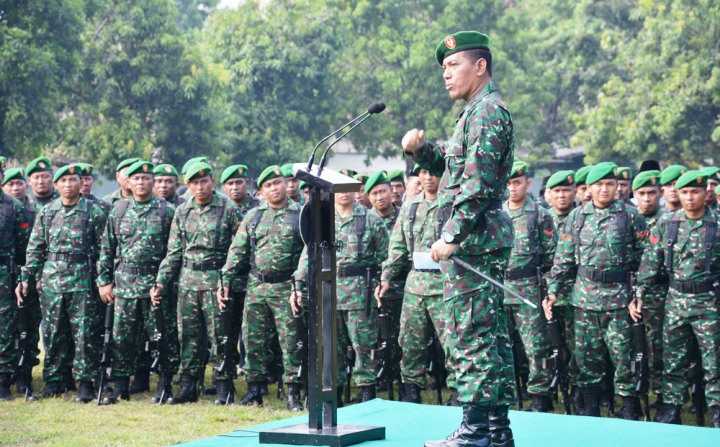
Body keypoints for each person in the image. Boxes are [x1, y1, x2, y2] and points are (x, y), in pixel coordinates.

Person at [403, 31, 516, 447]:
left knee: (471, 338)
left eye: (453, 66)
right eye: (443, 69)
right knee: (487, 338)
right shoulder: (474, 113)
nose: (445, 75)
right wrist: (422, 151)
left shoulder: (487, 112)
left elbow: (479, 184)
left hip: (474, 242)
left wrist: (451, 235)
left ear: (480, 66)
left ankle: (476, 433)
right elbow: (455, 167)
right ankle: (494, 431)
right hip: (478, 241)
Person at [545, 162, 648, 420]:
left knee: (623, 358)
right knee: (586, 359)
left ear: (616, 187)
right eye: (599, 185)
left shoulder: (629, 216)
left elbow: (644, 258)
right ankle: (590, 406)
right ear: (589, 188)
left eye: (609, 184)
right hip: (585, 301)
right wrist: (553, 291)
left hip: (618, 300)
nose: (604, 189)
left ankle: (628, 405)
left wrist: (637, 294)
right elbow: (564, 258)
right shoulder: (577, 217)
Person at [634, 170, 720, 427]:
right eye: (685, 192)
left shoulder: (716, 225)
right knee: (673, 359)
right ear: (678, 194)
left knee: (714, 360)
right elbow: (650, 264)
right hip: (675, 301)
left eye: (695, 191)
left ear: (706, 193)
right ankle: (671, 407)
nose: (690, 197)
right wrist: (639, 294)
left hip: (709, 302)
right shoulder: (667, 224)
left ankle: (716, 408)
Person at [151, 161, 242, 404]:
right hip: (188, 282)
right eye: (194, 183)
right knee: (189, 336)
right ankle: (189, 386)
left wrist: (227, 279)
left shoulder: (228, 208)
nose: (200, 187)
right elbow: (174, 252)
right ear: (187, 185)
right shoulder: (182, 211)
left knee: (220, 336)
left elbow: (239, 250)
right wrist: (160, 281)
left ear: (212, 181)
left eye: (204, 181)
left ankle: (224, 385)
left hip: (216, 281)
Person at [292, 178, 388, 403]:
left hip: (359, 294)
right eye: (338, 189)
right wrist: (298, 286)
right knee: (331, 348)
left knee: (363, 346)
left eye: (348, 189)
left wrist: (381, 280)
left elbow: (386, 256)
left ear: (356, 191)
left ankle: (366, 393)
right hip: (329, 292)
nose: (343, 194)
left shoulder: (370, 220)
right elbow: (309, 256)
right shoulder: (323, 221)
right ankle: (334, 396)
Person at [17, 164, 107, 402]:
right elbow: (36, 249)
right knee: (54, 332)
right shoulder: (47, 212)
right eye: (64, 181)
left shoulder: (94, 212)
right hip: (53, 282)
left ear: (81, 183)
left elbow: (104, 251)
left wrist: (103, 279)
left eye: (73, 180)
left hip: (83, 281)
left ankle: (85, 381)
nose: (69, 184)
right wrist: (27, 277)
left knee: (85, 333)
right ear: (56, 185)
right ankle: (55, 380)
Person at [220, 166, 304, 410]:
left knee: (290, 342)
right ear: (261, 191)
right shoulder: (254, 217)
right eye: (269, 185)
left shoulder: (300, 214)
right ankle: (255, 388)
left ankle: (292, 391)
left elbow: (309, 252)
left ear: (285, 185)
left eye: (278, 183)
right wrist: (225, 279)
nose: (275, 188)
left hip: (286, 287)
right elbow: (237, 251)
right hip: (257, 287)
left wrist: (299, 285)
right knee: (253, 339)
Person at [96, 161, 179, 404]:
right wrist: (104, 282)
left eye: (146, 178)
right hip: (125, 284)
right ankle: (120, 385)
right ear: (128, 183)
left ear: (153, 181)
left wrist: (163, 282)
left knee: (162, 336)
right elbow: (107, 249)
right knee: (123, 337)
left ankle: (165, 384)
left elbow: (173, 251)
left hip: (155, 284)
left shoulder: (166, 211)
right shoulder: (119, 210)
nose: (141, 182)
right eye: (136, 179)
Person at [377, 153, 450, 404]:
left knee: (452, 341)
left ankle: (461, 391)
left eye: (433, 173)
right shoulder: (410, 208)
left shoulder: (452, 205)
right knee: (410, 341)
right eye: (424, 173)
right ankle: (411, 389)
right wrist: (387, 277)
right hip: (416, 285)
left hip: (446, 285)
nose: (428, 178)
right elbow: (397, 247)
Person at [503, 161, 556, 412]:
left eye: (517, 182)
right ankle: (508, 394)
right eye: (508, 183)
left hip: (528, 288)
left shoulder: (540, 214)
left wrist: (546, 289)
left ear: (527, 183)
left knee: (535, 346)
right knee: (503, 346)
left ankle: (539, 394)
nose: (512, 188)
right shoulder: (497, 213)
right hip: (499, 287)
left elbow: (550, 255)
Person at [630, 170, 666, 403]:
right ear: (634, 195)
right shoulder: (629, 218)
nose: (647, 198)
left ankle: (662, 393)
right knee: (634, 346)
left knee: (659, 347)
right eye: (641, 193)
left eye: (651, 193)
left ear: (660, 193)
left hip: (661, 293)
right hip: (630, 293)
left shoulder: (669, 220)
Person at [0, 161, 32, 400]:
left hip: (4, 276)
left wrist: (21, 278)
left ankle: (3, 380)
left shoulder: (13, 206)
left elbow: (24, 249)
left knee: (5, 330)